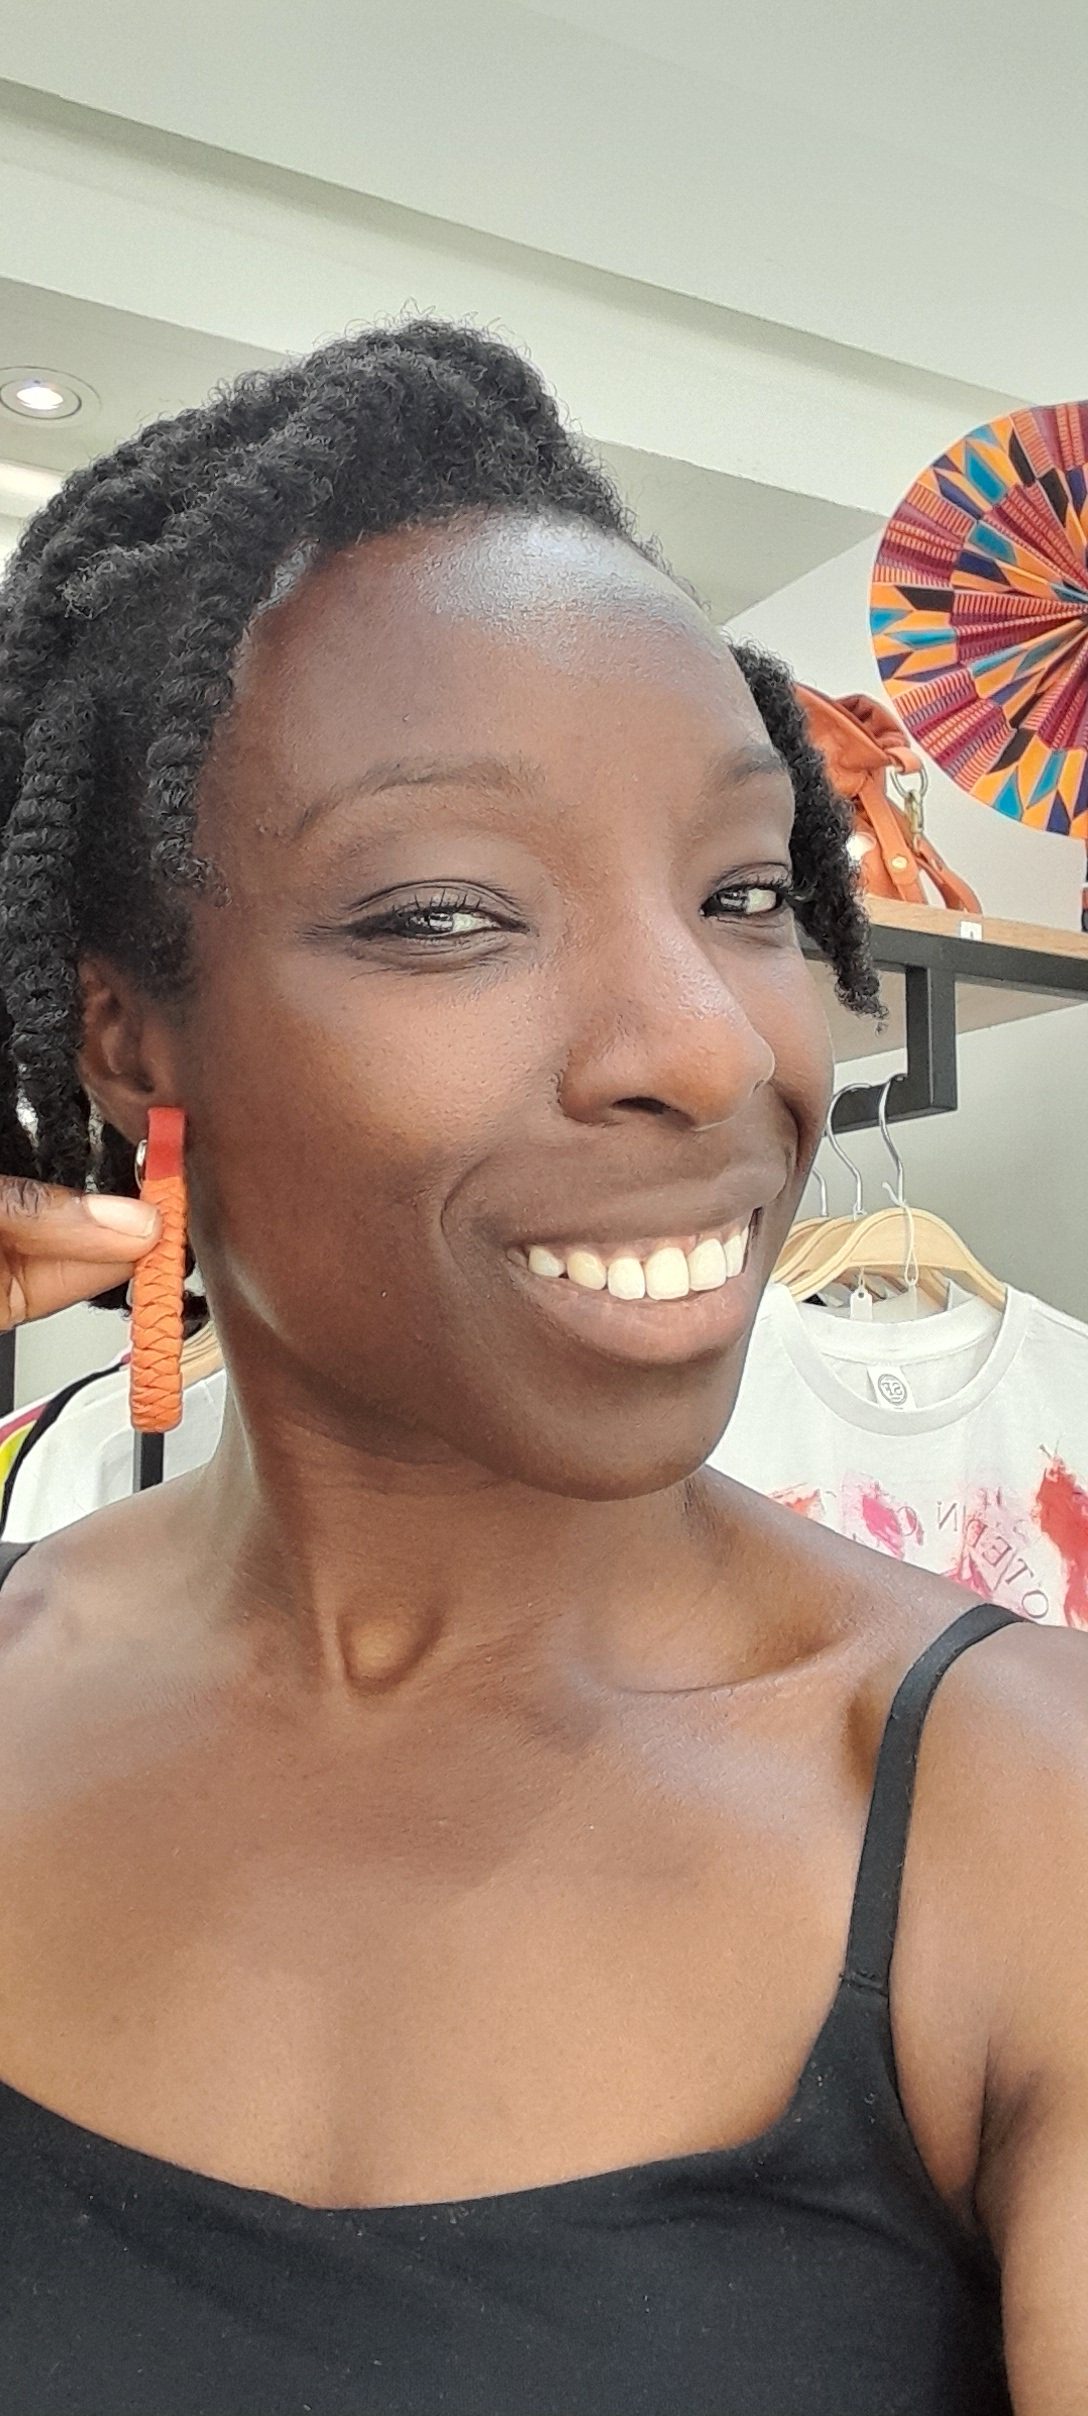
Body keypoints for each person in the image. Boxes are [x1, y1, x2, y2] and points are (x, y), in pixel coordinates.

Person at [0, 321, 1082, 2416]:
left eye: (746, 891)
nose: (707, 1044)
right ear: (127, 1033)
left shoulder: (1020, 1817)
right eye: (443, 913)